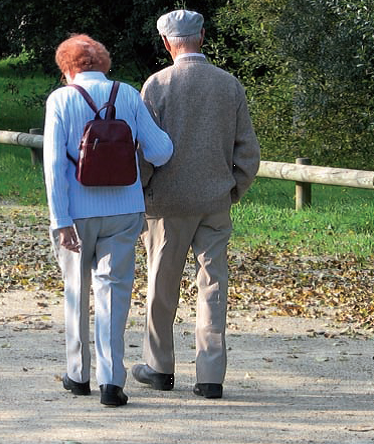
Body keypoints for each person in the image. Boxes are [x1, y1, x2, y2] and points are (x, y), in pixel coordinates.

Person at [131, 10, 261, 399]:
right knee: (213, 288)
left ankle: (159, 366)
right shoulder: (229, 85)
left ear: (167, 42)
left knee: (161, 286)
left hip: (167, 206)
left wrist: (141, 194)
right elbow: (248, 152)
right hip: (214, 202)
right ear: (202, 36)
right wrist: (231, 191)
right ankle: (210, 376)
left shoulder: (156, 85)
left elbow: (143, 152)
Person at [43, 34, 173, 407]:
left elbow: (53, 166)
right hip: (124, 209)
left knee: (76, 290)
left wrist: (60, 219)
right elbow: (161, 152)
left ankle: (78, 374)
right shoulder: (128, 95)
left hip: (76, 215)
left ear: (66, 68)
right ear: (103, 64)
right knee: (113, 293)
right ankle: (112, 381)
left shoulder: (61, 100)